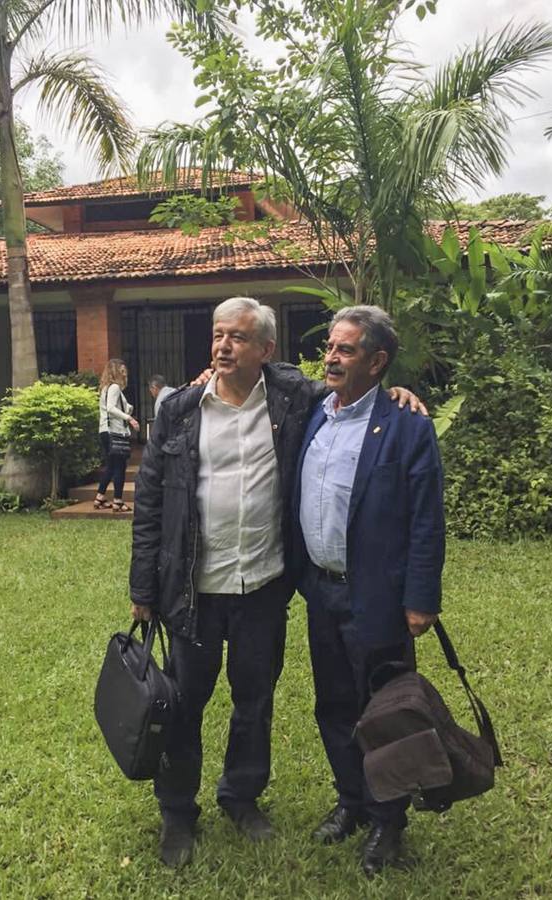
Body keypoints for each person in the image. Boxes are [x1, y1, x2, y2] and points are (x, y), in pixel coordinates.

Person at [129, 297, 422, 868]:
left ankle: (241, 796)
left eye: (237, 338)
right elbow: (148, 506)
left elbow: (357, 389)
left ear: (265, 350)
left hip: (264, 585)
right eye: (217, 335)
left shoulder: (294, 400)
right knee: (185, 704)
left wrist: (398, 392)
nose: (221, 347)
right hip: (193, 590)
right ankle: (177, 812)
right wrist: (143, 589)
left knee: (254, 702)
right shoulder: (180, 410)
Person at [292, 305, 445, 877]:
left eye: (346, 350)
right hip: (321, 592)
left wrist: (421, 598)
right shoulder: (314, 412)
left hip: (379, 596)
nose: (331, 357)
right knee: (333, 705)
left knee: (383, 713)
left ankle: (389, 821)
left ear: (377, 362)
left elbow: (427, 520)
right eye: (330, 346)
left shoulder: (408, 426)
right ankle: (352, 800)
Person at [95, 359, 140, 513]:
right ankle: (118, 502)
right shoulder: (114, 388)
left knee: (112, 466)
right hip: (114, 432)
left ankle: (100, 497)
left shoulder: (107, 388)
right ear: (115, 371)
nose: (125, 373)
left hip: (105, 431)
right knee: (119, 467)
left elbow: (117, 408)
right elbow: (110, 408)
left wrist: (127, 409)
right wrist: (130, 418)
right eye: (122, 370)